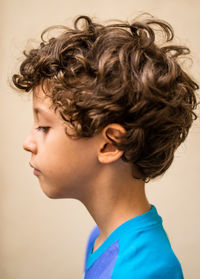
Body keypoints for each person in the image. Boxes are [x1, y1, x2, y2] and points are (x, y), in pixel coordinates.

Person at [12, 13, 199, 278]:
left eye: (43, 127)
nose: (27, 143)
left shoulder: (146, 271)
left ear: (110, 145)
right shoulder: (101, 237)